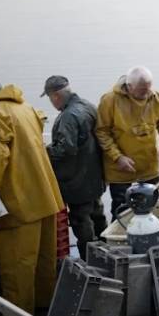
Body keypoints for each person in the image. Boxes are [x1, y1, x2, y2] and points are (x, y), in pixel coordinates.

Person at [0, 73, 64, 316]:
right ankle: (43, 309)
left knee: (17, 265)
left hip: (19, 204)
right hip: (45, 196)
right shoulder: (25, 107)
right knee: (43, 261)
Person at [43, 76, 107, 258]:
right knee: (97, 214)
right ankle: (106, 252)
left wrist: (44, 152)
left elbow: (65, 149)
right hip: (94, 177)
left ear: (55, 96)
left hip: (76, 181)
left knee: (81, 220)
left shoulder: (68, 116)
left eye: (49, 97)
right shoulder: (88, 106)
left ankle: (89, 259)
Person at [95, 66, 159, 218]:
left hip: (148, 163)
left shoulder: (155, 98)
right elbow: (102, 132)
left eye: (148, 89)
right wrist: (118, 157)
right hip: (121, 167)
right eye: (142, 90)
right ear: (129, 87)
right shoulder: (110, 100)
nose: (147, 93)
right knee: (122, 208)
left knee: (152, 204)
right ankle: (119, 237)